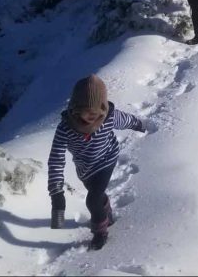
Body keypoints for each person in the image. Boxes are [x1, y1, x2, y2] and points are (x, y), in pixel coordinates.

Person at [48, 74, 147, 250]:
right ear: (75, 108)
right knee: (97, 195)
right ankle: (106, 213)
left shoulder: (109, 117)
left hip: (107, 159)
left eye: (96, 113)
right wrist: (57, 196)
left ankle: (100, 232)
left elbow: (126, 120)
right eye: (86, 112)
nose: (91, 117)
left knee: (92, 199)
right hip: (85, 168)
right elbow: (56, 159)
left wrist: (140, 125)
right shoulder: (66, 128)